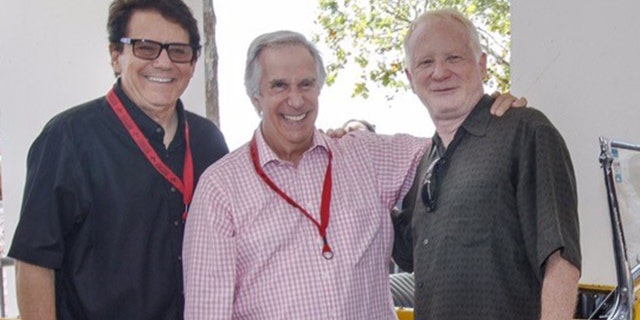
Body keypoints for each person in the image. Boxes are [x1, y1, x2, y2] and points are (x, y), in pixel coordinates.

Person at [182, 30, 522, 319]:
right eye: (279, 86)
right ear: (256, 97)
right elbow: (206, 311)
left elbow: (455, 147)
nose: (296, 100)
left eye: (306, 84)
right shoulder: (221, 188)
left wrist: (491, 114)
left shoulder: (365, 156)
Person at [8, 0, 229, 319]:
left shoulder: (209, 140)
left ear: (194, 62)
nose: (164, 63)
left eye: (179, 51)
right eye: (146, 47)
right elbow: (34, 262)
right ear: (116, 55)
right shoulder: (68, 139)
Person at [394, 9, 581, 319]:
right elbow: (406, 252)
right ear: (411, 78)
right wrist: (347, 157)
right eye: (426, 62)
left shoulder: (526, 132)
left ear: (481, 64)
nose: (439, 72)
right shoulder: (425, 160)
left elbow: (561, 259)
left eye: (454, 58)